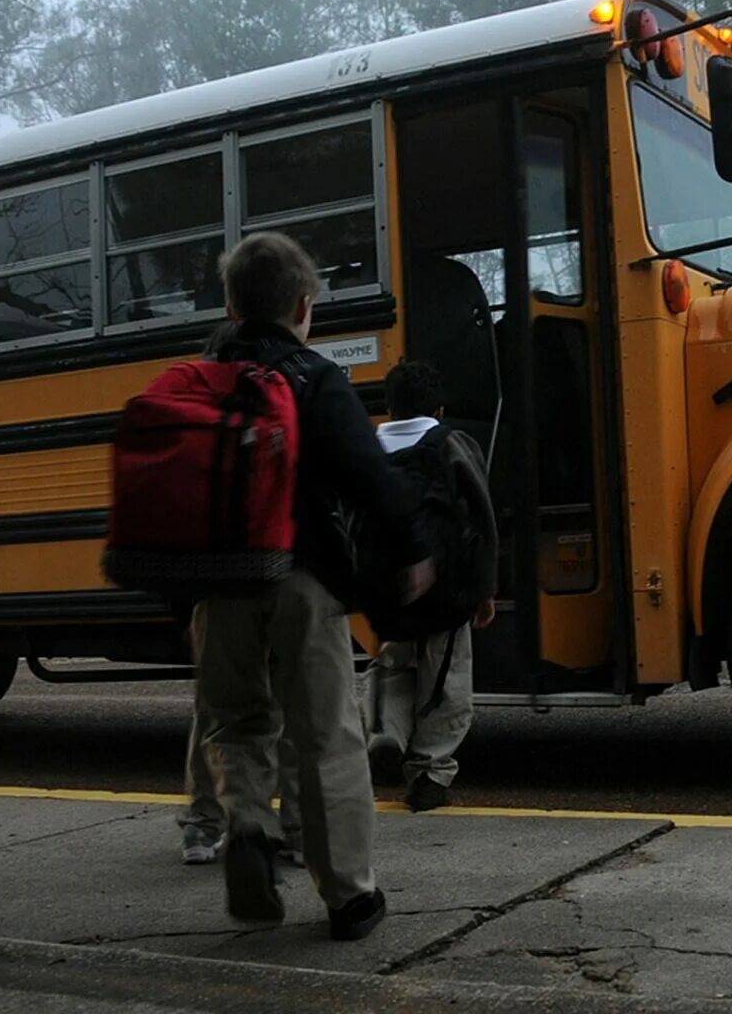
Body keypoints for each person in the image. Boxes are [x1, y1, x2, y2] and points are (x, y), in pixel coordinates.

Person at [192, 231, 433, 939]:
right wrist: (414, 550)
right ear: (304, 306)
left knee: (236, 724)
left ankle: (243, 826)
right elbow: (372, 476)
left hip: (218, 587)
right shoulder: (314, 377)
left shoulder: (199, 382)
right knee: (326, 735)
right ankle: (349, 896)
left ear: (233, 306)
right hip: (302, 579)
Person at [177, 320, 300, 867]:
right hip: (281, 571)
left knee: (218, 713)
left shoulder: (187, 413)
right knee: (294, 707)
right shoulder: (286, 395)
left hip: (213, 586)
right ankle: (295, 828)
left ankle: (205, 824)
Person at [364, 359, 498, 813]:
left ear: (388, 404)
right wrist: (484, 589)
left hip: (388, 592)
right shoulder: (453, 444)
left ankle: (386, 735)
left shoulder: (368, 449)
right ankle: (430, 773)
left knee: (394, 666)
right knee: (446, 678)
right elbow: (481, 518)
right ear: (438, 407)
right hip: (447, 590)